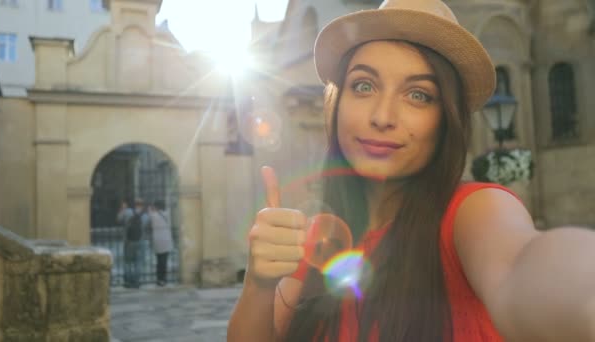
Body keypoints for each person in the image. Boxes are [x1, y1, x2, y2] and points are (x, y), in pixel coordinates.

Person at [227, 0, 595, 341]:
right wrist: (259, 282)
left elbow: (525, 266)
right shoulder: (326, 235)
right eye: (364, 85)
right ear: (336, 105)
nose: (382, 117)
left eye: (418, 94)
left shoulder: (473, 212)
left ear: (446, 120)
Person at [117, 198, 150, 288]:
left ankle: (128, 281)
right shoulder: (145, 216)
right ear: (142, 205)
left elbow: (118, 219)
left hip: (128, 240)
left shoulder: (127, 212)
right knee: (138, 262)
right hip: (140, 240)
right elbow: (146, 226)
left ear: (134, 204)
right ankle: (136, 281)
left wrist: (122, 209)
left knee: (127, 262)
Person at [148, 199, 174, 286]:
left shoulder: (153, 215)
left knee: (159, 261)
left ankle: (159, 279)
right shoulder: (167, 214)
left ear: (156, 207)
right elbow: (169, 207)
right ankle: (164, 279)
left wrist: (151, 208)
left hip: (158, 240)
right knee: (164, 261)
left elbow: (150, 211)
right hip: (166, 240)